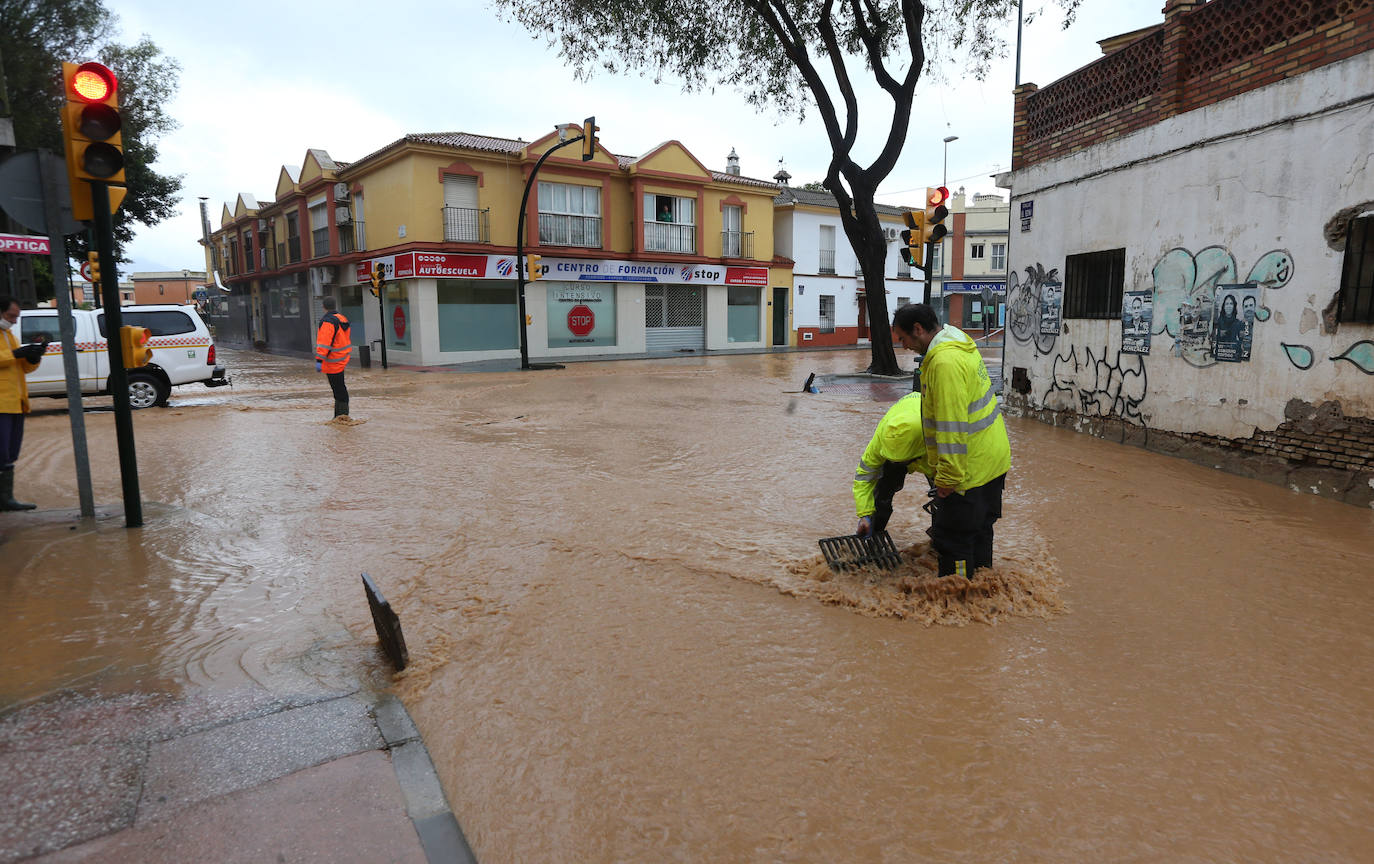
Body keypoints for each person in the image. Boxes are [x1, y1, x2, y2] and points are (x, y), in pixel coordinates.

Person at [891, 303, 1011, 579]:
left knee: (953, 541)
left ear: (918, 330)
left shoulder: (944, 364)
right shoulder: (959, 343)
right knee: (980, 531)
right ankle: (982, 588)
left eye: (903, 338)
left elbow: (951, 428)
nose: (903, 345)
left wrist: (947, 479)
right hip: (993, 461)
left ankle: (955, 599)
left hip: (969, 469)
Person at [853, 391, 933, 538]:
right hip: (909, 433)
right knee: (882, 493)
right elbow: (864, 478)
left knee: (945, 494)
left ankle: (941, 535)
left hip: (923, 439)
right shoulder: (880, 442)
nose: (898, 464)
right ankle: (874, 535)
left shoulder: (935, 437)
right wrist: (864, 515)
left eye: (902, 462)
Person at [1, 296, 50, 511]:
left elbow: (23, 367)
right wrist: (16, 354)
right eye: (11, 316)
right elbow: (9, 358)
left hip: (16, 402)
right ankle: (5, 500)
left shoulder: (9, 335)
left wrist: (34, 356)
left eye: (16, 317)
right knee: (1, 452)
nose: (13, 321)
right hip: (2, 404)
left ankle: (6, 499)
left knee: (10, 452)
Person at [314, 296, 353, 420]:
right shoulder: (342, 319)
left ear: (323, 307)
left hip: (332, 362)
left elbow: (323, 344)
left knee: (338, 390)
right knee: (340, 388)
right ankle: (340, 417)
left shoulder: (328, 322)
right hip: (342, 359)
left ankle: (342, 418)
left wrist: (319, 362)